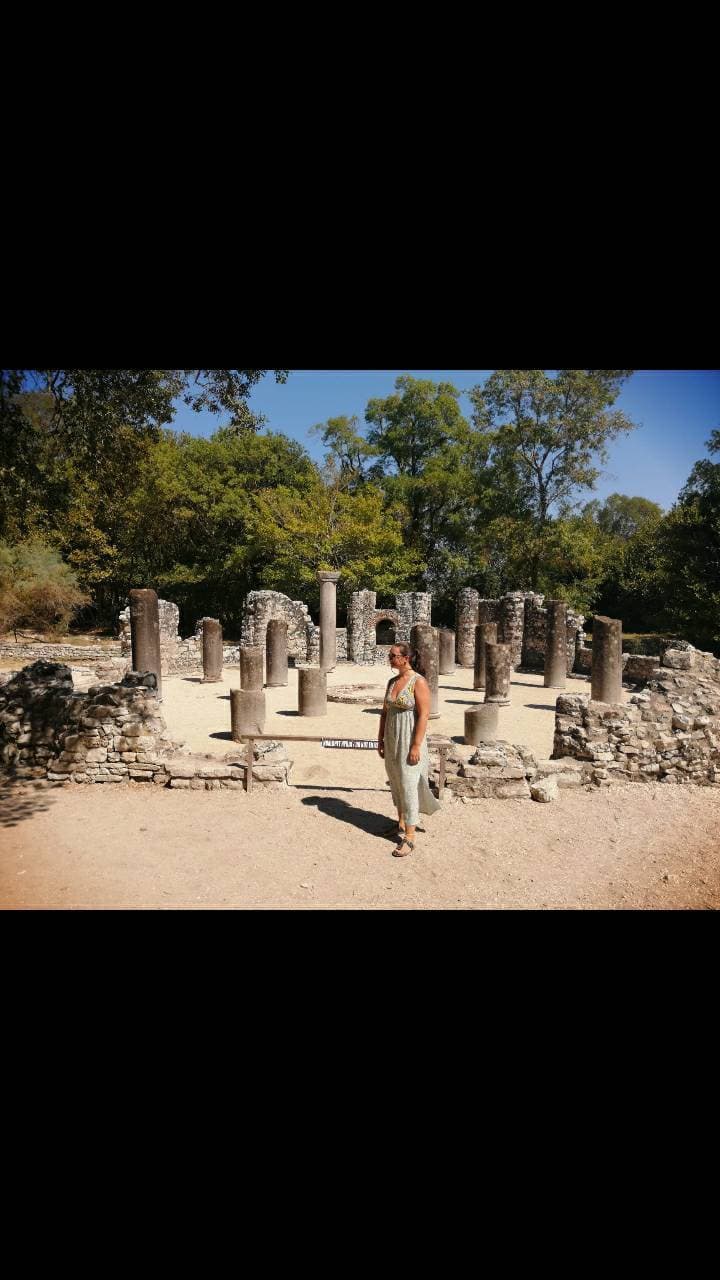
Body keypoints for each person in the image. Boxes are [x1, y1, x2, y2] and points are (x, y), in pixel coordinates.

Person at [377, 642, 441, 857]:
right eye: (390, 655)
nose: (390, 658)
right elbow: (384, 713)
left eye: (393, 655)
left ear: (405, 659)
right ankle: (401, 823)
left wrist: (415, 745)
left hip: (409, 739)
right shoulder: (392, 681)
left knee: (408, 784)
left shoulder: (418, 682)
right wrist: (380, 738)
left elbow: (423, 715)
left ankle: (410, 837)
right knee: (396, 781)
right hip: (392, 738)